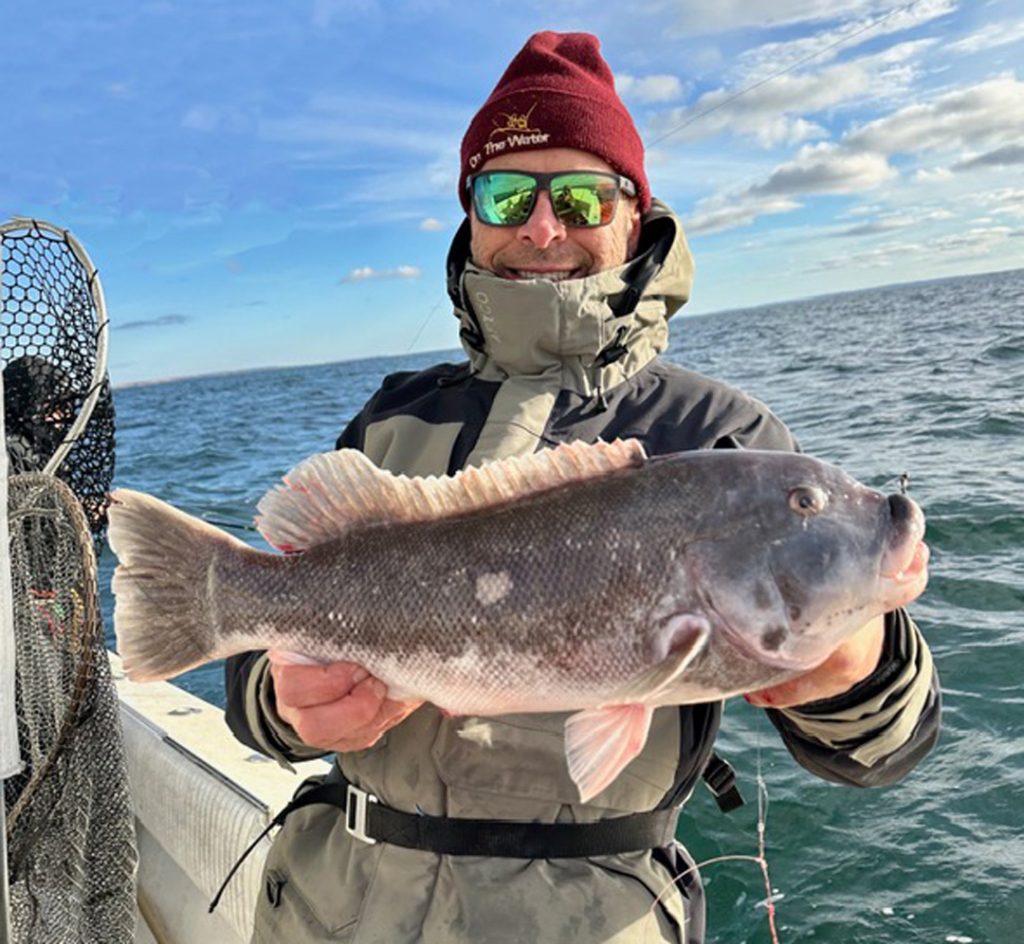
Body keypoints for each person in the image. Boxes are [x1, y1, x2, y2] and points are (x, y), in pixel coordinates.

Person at [225, 31, 940, 944]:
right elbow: (260, 662)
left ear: (633, 216)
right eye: (507, 193)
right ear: (471, 217)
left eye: (580, 195)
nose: (542, 227)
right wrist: (285, 704)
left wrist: (851, 667)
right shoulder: (393, 419)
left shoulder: (722, 439)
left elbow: (890, 750)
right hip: (332, 909)